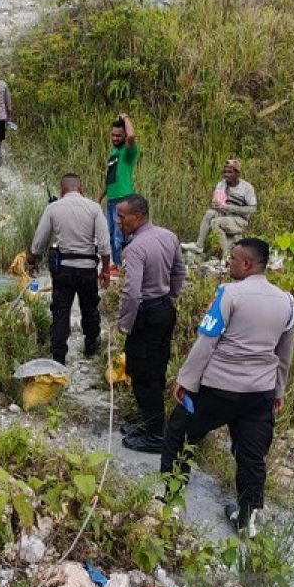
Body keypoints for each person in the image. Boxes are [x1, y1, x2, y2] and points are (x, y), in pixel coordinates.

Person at [161, 238, 294, 537]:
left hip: (218, 387)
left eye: (233, 259)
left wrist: (186, 380)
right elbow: (284, 353)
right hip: (259, 394)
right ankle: (247, 519)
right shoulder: (287, 302)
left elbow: (207, 341)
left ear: (247, 264)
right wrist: (278, 392)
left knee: (179, 433)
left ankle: (170, 504)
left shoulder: (229, 294)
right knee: (252, 455)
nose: (228, 263)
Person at [116, 194, 186, 453]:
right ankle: (151, 423)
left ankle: (156, 436)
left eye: (122, 217)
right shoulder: (168, 236)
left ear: (137, 216)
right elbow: (179, 271)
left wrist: (125, 324)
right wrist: (169, 296)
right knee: (156, 369)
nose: (118, 222)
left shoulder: (135, 248)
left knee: (142, 373)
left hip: (146, 315)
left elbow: (132, 292)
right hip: (165, 310)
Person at [28, 174, 112, 364]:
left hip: (63, 270)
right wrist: (105, 270)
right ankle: (91, 345)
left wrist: (32, 261)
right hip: (87, 269)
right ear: (81, 189)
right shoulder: (94, 208)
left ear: (61, 190)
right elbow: (105, 245)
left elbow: (38, 242)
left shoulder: (53, 208)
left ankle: (58, 356)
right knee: (90, 308)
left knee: (60, 311)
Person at [182, 160, 258, 257]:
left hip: (239, 220)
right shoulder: (222, 184)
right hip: (224, 214)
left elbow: (252, 209)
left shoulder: (247, 188)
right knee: (209, 213)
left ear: (237, 173)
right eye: (225, 172)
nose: (226, 175)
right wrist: (216, 204)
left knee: (215, 222)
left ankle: (226, 256)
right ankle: (199, 246)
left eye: (230, 172)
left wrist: (231, 208)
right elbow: (216, 201)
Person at [96, 114, 138, 275]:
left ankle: (122, 266)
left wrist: (126, 118)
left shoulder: (128, 152)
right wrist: (99, 197)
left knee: (120, 235)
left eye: (119, 135)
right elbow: (110, 178)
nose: (115, 138)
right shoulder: (113, 152)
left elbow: (132, 136)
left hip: (124, 199)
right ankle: (117, 265)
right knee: (110, 234)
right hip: (112, 199)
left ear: (124, 135)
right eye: (113, 135)